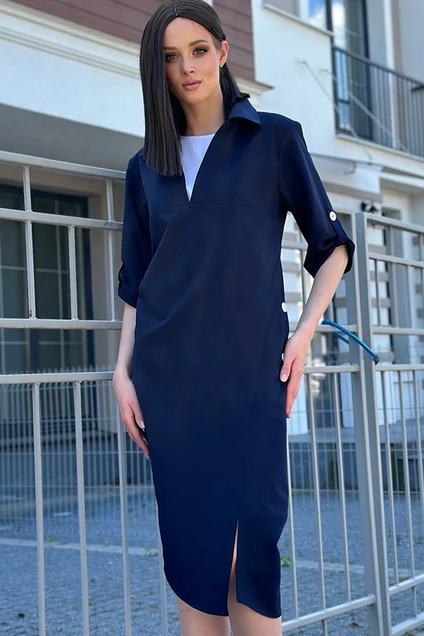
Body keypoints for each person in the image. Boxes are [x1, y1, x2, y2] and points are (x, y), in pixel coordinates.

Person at [113, 1, 355, 635]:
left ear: (222, 51)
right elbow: (137, 283)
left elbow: (331, 248)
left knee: (251, 554)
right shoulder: (144, 169)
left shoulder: (274, 138)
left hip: (250, 378)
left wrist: (303, 335)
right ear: (158, 71)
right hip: (170, 385)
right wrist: (121, 372)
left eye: (198, 50)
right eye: (170, 57)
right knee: (194, 556)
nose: (187, 67)